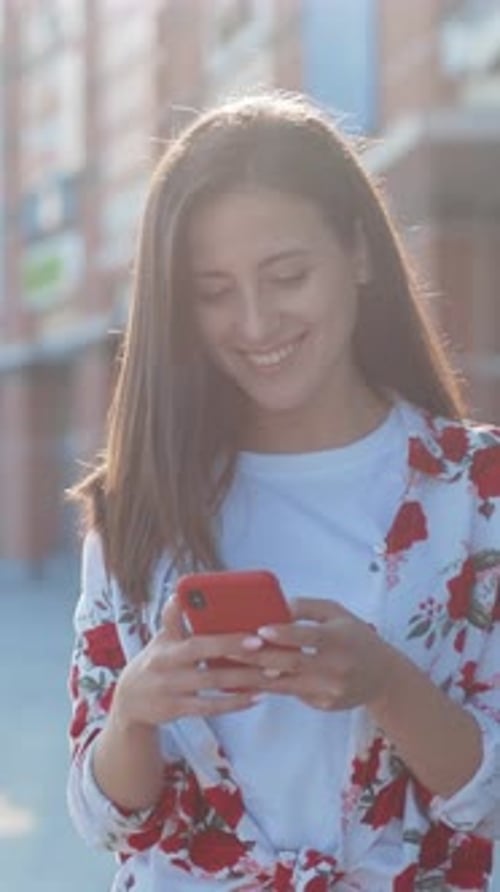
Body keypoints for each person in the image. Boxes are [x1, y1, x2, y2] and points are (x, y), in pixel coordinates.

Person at [66, 91, 500, 892]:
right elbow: (106, 818)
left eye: (288, 275)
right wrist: (134, 709)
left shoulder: (475, 493)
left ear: (361, 254)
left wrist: (388, 686)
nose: (256, 322)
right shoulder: (142, 501)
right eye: (214, 290)